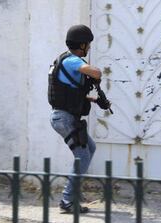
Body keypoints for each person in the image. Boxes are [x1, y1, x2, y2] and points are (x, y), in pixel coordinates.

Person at [48, 24, 102, 213]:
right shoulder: (71, 60)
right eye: (88, 44)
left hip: (65, 116)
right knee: (83, 155)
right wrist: (96, 76)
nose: (89, 48)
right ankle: (67, 200)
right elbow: (95, 72)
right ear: (81, 45)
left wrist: (93, 99)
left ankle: (71, 195)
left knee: (90, 148)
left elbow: (69, 93)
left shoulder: (66, 60)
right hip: (63, 119)